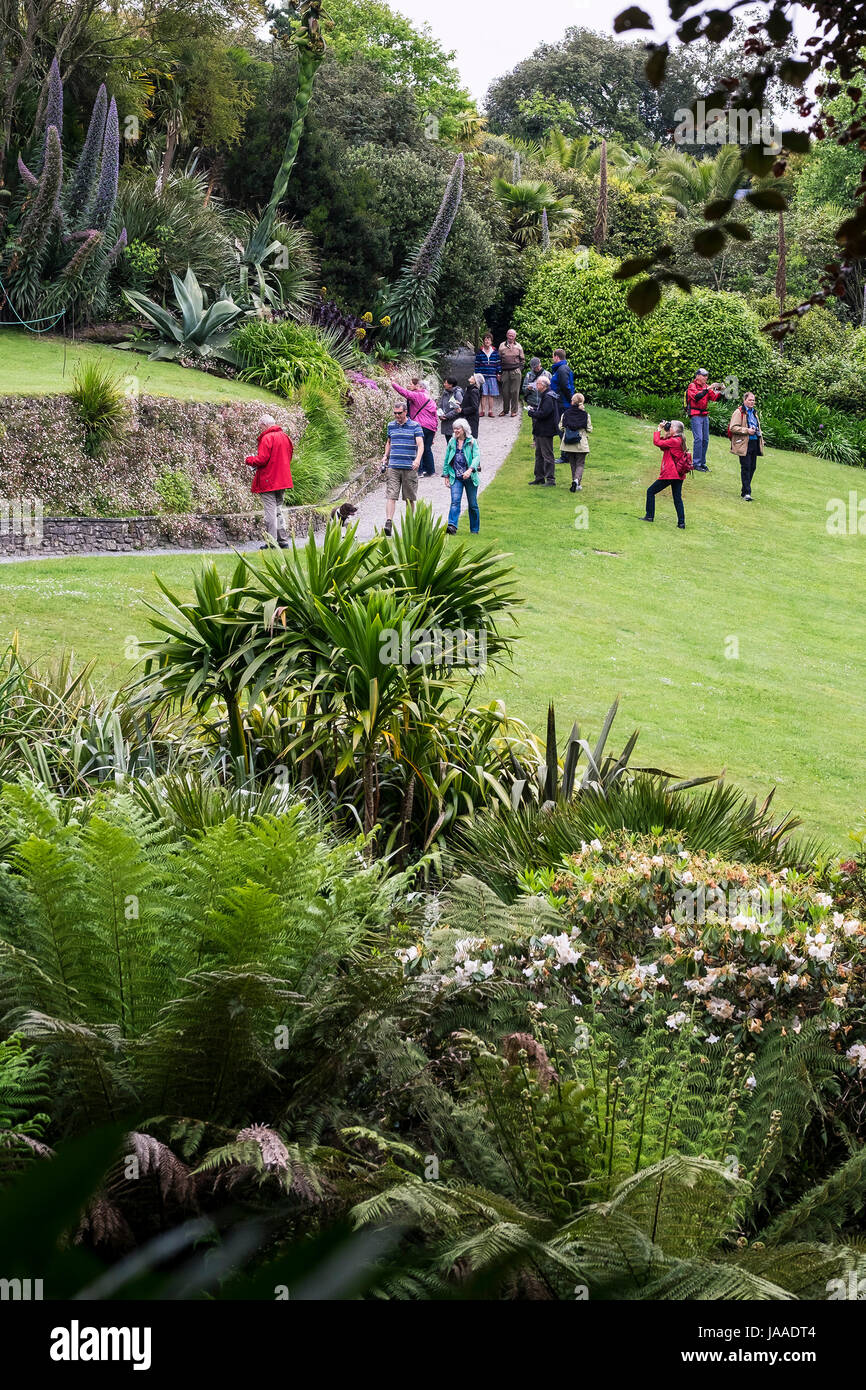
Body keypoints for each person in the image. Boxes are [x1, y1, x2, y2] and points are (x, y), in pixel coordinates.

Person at [245, 413, 294, 548]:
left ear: (265, 425)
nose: (260, 429)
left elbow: (262, 459)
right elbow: (289, 456)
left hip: (269, 480)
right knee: (278, 509)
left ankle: (271, 542)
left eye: (260, 426)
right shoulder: (285, 437)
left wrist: (249, 460)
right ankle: (283, 540)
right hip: (282, 479)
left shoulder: (267, 438)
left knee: (270, 512)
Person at [380, 399, 423, 536]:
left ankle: (410, 525)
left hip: (409, 467)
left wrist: (417, 460)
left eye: (399, 413)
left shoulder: (415, 426)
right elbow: (389, 442)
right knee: (391, 495)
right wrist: (385, 456)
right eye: (395, 413)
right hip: (393, 466)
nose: (397, 416)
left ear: (405, 412)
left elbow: (420, 445)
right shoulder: (391, 426)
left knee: (409, 498)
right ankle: (388, 523)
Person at [642, 419, 693, 528]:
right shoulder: (678, 439)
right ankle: (681, 523)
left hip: (671, 473)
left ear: (675, 429)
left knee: (650, 491)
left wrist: (658, 429)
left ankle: (649, 516)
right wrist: (666, 433)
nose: (668, 426)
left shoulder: (674, 441)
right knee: (677, 498)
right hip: (678, 475)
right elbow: (663, 446)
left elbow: (657, 442)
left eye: (670, 425)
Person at [391, 375, 438, 476]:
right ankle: (431, 471)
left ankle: (419, 471)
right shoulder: (429, 397)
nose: (409, 385)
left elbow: (405, 393)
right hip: (431, 427)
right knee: (427, 448)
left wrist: (394, 384)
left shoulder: (418, 395)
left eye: (411, 384)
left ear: (419, 387)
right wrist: (435, 430)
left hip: (421, 425)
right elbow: (435, 415)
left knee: (418, 446)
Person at [442, 417, 481, 535]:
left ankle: (474, 530)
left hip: (470, 477)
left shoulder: (472, 441)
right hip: (456, 477)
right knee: (455, 501)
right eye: (454, 429)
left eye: (457, 429)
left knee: (473, 504)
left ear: (464, 429)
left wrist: (470, 470)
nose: (455, 431)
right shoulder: (452, 442)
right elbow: (447, 459)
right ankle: (452, 526)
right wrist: (446, 475)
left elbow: (477, 457)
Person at [685, 369, 723, 473]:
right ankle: (696, 464)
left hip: (704, 415)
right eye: (704, 376)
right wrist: (709, 388)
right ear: (697, 376)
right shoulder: (692, 386)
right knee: (699, 439)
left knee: (705, 439)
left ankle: (702, 463)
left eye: (707, 376)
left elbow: (714, 398)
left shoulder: (706, 386)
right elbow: (697, 397)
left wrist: (721, 391)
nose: (706, 378)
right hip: (695, 415)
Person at [728, 391, 763, 500]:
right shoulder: (739, 412)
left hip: (754, 442)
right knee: (746, 467)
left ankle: (745, 490)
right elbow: (732, 427)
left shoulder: (754, 413)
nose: (752, 402)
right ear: (744, 400)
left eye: (753, 400)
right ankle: (747, 492)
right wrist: (746, 430)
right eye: (750, 400)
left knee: (752, 467)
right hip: (743, 443)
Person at [527, 375, 558, 485]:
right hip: (541, 429)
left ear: (543, 385)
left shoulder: (548, 397)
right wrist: (535, 410)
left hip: (546, 430)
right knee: (539, 454)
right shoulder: (546, 395)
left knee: (547, 455)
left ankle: (550, 479)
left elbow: (545, 413)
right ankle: (539, 477)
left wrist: (532, 413)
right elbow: (544, 410)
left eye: (538, 384)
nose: (536, 385)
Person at [558, 392, 592, 492]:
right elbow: (589, 429)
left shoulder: (566, 413)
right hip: (580, 443)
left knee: (573, 464)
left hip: (568, 442)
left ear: (572, 402)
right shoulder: (585, 415)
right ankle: (576, 481)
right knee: (580, 464)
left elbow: (561, 427)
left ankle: (575, 482)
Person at [497, 328, 525, 417]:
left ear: (515, 336)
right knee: (505, 392)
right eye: (509, 335)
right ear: (507, 335)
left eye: (512, 335)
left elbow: (522, 360)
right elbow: (498, 360)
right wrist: (499, 372)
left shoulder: (519, 346)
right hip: (505, 371)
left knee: (515, 392)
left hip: (515, 371)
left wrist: (519, 369)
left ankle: (514, 411)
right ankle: (505, 410)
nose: (511, 337)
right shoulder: (501, 346)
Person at [474, 333, 501, 418]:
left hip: (492, 375)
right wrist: (477, 376)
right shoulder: (480, 352)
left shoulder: (495, 352)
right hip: (483, 376)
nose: (487, 341)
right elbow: (477, 365)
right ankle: (482, 411)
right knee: (484, 394)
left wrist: (499, 373)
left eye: (488, 339)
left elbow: (498, 363)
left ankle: (490, 411)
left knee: (491, 394)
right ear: (483, 341)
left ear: (491, 341)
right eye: (485, 339)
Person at [437, 376, 464, 443]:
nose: (444, 384)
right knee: (449, 443)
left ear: (450, 385)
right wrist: (440, 414)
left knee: (455, 443)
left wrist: (447, 416)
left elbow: (459, 408)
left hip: (454, 422)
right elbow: (441, 404)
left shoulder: (457, 394)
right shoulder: (445, 393)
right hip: (446, 422)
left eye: (446, 383)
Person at [548, 348, 574, 414]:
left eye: (553, 357)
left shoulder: (562, 369)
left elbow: (565, 386)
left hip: (563, 404)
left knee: (560, 423)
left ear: (556, 357)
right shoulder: (560, 368)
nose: (552, 359)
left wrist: (571, 399)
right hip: (560, 402)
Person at [461, 373, 483, 438]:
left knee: (470, 439)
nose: (471, 376)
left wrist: (462, 410)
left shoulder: (474, 391)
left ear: (475, 380)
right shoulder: (469, 389)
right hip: (468, 417)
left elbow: (474, 407)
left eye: (473, 376)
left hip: (471, 419)